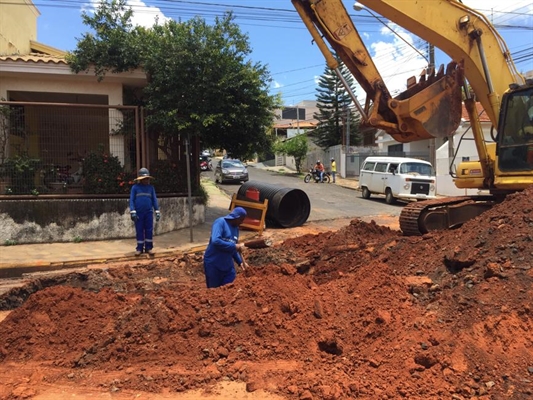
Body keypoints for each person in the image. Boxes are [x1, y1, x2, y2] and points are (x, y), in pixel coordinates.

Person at [203, 207, 249, 288]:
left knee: (230, 289)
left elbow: (233, 248)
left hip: (227, 266)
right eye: (241, 220)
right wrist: (234, 246)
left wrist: (240, 262)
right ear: (236, 217)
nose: (241, 223)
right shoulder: (220, 222)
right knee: (214, 292)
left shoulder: (236, 229)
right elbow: (215, 240)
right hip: (214, 264)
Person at [129, 168, 160, 256]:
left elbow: (154, 199)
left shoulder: (151, 188)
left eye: (147, 178)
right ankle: (139, 248)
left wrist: (157, 211)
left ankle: (148, 248)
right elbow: (131, 200)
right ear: (141, 179)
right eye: (145, 179)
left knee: (149, 230)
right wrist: (133, 211)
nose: (147, 180)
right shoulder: (135, 188)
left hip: (148, 212)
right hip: (138, 213)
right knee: (139, 230)